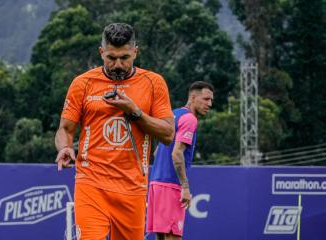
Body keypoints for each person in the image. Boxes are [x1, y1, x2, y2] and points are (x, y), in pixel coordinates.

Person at [54, 23, 175, 240]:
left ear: (135, 52)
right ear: (101, 53)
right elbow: (65, 129)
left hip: (133, 187)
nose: (118, 64)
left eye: (125, 58)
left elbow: (167, 134)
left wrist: (134, 111)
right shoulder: (82, 83)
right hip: (91, 183)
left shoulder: (153, 83)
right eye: (111, 58)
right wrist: (64, 147)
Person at [146, 81, 214, 240]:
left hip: (156, 183)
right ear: (193, 97)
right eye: (206, 99)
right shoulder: (190, 119)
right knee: (173, 237)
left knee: (161, 237)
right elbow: (177, 154)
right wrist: (185, 186)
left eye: (211, 100)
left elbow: (157, 152)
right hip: (170, 186)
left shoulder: (173, 114)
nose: (209, 104)